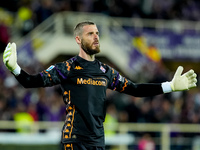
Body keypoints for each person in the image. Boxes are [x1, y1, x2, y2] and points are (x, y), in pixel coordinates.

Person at [3, 21, 197, 150]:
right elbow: (31, 82)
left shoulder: (106, 71)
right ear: (78, 39)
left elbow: (135, 89)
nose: (96, 37)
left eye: (97, 33)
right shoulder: (67, 67)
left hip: (98, 142)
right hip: (74, 141)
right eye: (90, 34)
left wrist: (170, 86)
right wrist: (16, 69)